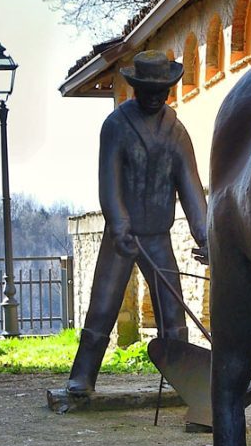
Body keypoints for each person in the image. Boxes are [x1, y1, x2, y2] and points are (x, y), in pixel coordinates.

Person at [66, 50, 208, 395]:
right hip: (122, 235)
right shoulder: (116, 126)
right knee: (103, 304)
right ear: (136, 89)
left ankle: (182, 378)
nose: (157, 96)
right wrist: (119, 225)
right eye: (150, 90)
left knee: (171, 310)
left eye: (163, 90)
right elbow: (109, 183)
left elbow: (191, 188)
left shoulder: (176, 132)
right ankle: (83, 376)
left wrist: (205, 237)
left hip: (158, 234)